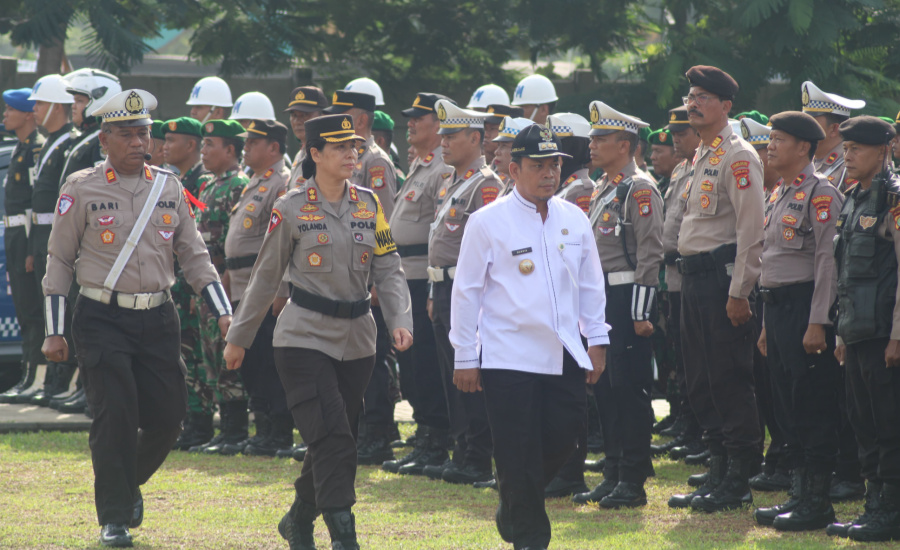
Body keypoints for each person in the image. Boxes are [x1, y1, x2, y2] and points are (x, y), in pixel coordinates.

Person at [42, 88, 231, 548]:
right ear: (104, 138)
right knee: (117, 416)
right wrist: (53, 330)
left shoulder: (168, 187)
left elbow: (195, 255)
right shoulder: (82, 187)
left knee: (169, 417)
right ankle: (114, 517)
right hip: (101, 317)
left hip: (158, 317)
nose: (138, 142)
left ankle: (128, 487)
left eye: (144, 133)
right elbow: (59, 260)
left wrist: (225, 312)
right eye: (126, 134)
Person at [223, 113, 413, 550]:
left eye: (355, 147)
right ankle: (344, 535)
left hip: (358, 341)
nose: (352, 154)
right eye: (341, 148)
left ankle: (297, 518)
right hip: (302, 338)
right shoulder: (290, 207)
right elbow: (265, 277)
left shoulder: (370, 205)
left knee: (333, 435)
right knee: (333, 437)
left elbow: (389, 268)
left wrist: (400, 320)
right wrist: (240, 338)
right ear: (315, 154)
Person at [450, 123, 609, 550]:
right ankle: (530, 537)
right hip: (507, 356)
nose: (549, 174)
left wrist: (598, 339)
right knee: (517, 451)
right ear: (514, 169)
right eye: (538, 165)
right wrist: (465, 355)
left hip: (564, 352)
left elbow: (591, 284)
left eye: (554, 164)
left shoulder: (574, 217)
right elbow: (466, 292)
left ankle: (514, 497)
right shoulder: (487, 221)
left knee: (568, 437)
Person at [668, 65, 765, 513]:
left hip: (722, 282)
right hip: (693, 280)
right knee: (700, 378)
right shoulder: (699, 157)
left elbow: (751, 231)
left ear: (726, 106)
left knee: (728, 376)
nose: (693, 102)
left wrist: (740, 291)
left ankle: (740, 476)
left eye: (704, 96)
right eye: (691, 95)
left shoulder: (738, 155)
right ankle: (718, 464)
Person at [751, 111, 843, 532]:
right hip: (778, 308)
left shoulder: (821, 194)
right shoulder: (779, 193)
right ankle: (800, 491)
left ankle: (817, 500)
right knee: (787, 404)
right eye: (770, 138)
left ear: (804, 147)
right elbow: (771, 262)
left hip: (806, 307)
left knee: (811, 405)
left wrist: (818, 321)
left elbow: (826, 261)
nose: (770, 145)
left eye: (779, 139)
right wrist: (769, 324)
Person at [574, 101, 663, 508]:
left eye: (601, 138)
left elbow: (650, 253)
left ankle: (633, 475)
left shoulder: (639, 188)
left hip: (627, 298)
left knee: (628, 388)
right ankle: (613, 468)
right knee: (605, 387)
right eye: (592, 137)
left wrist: (643, 310)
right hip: (602, 298)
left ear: (624, 145)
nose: (592, 145)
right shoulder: (605, 187)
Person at [827, 116, 900, 542]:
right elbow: (844, 274)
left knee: (889, 422)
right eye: (846, 148)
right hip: (855, 329)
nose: (847, 156)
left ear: (883, 151)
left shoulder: (893, 199)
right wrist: (839, 333)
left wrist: (897, 334)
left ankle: (889, 509)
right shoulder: (852, 197)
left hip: (883, 334)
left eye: (856, 149)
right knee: (863, 420)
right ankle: (875, 503)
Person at [424, 99, 503, 485]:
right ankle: (461, 450)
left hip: (465, 288)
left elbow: (487, 249)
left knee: (469, 372)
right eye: (442, 135)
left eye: (452, 135)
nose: (443, 142)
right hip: (443, 286)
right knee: (449, 374)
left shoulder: (487, 185)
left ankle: (476, 454)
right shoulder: (452, 183)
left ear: (476, 138)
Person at [380, 93, 455, 474]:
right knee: (411, 362)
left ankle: (436, 440)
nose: (409, 123)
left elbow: (441, 231)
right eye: (408, 118)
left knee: (426, 361)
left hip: (422, 278)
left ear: (439, 123)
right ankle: (425, 436)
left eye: (418, 118)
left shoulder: (444, 167)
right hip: (403, 276)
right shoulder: (422, 165)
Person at [802, 82, 868, 501]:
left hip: (848, 288)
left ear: (831, 127)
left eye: (813, 121)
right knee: (832, 389)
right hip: (828, 288)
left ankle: (851, 469)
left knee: (849, 390)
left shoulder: (842, 173)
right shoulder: (826, 170)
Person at [221, 119, 294, 457]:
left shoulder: (282, 182)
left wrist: (280, 290)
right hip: (241, 285)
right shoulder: (257, 182)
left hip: (263, 291)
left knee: (267, 362)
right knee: (250, 362)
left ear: (273, 148)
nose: (245, 147)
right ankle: (262, 427)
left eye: (252, 142)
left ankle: (277, 431)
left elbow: (280, 245)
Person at [160, 117, 219, 451]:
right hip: (177, 284)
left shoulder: (202, 182)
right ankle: (188, 423)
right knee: (183, 357)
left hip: (195, 282)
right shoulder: (177, 180)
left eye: (172, 140)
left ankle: (201, 425)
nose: (165, 146)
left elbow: (203, 240)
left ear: (191, 145)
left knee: (200, 357)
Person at [191, 119, 250, 454]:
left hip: (226, 287)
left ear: (230, 149)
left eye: (210, 144)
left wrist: (224, 285)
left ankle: (235, 430)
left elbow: (233, 243)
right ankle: (224, 429)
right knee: (211, 357)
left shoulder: (238, 185)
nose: (204, 150)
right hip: (207, 289)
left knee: (229, 360)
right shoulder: (209, 185)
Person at [651, 106, 704, 458]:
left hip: (690, 277)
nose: (675, 140)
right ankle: (686, 422)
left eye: (681, 134)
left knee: (695, 360)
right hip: (672, 278)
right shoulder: (684, 169)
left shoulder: (701, 166)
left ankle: (698, 429)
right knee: (679, 358)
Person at [26, 74, 76, 406]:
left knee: (62, 313)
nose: (35, 111)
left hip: (55, 234)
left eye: (41, 103)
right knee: (39, 312)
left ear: (57, 105)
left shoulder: (69, 143)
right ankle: (47, 381)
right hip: (40, 234)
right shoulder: (51, 143)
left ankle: (58, 381)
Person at [0, 88, 45, 405]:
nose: (4, 115)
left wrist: (31, 249)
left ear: (28, 114)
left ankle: (36, 378)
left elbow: (34, 203)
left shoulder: (34, 151)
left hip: (26, 235)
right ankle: (29, 377)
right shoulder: (19, 148)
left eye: (9, 110)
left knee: (32, 310)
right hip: (14, 235)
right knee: (25, 311)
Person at [323, 90, 396, 217]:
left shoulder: (375, 160)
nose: (334, 121)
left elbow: (384, 217)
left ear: (361, 121)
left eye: (340, 116)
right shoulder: (340, 156)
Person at [802, 81, 865, 194]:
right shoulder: (806, 161)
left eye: (812, 122)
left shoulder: (850, 165)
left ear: (834, 129)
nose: (804, 128)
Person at [60, 68, 120, 182]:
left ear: (99, 100)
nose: (73, 106)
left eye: (79, 101)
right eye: (74, 101)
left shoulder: (101, 139)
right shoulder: (87, 136)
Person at [284, 86, 329, 189]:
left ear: (323, 116)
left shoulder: (328, 155)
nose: (297, 121)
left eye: (305, 115)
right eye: (294, 115)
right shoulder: (300, 154)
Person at [491, 117, 534, 194]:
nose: (496, 152)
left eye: (504, 146)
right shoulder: (510, 184)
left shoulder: (527, 192)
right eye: (498, 145)